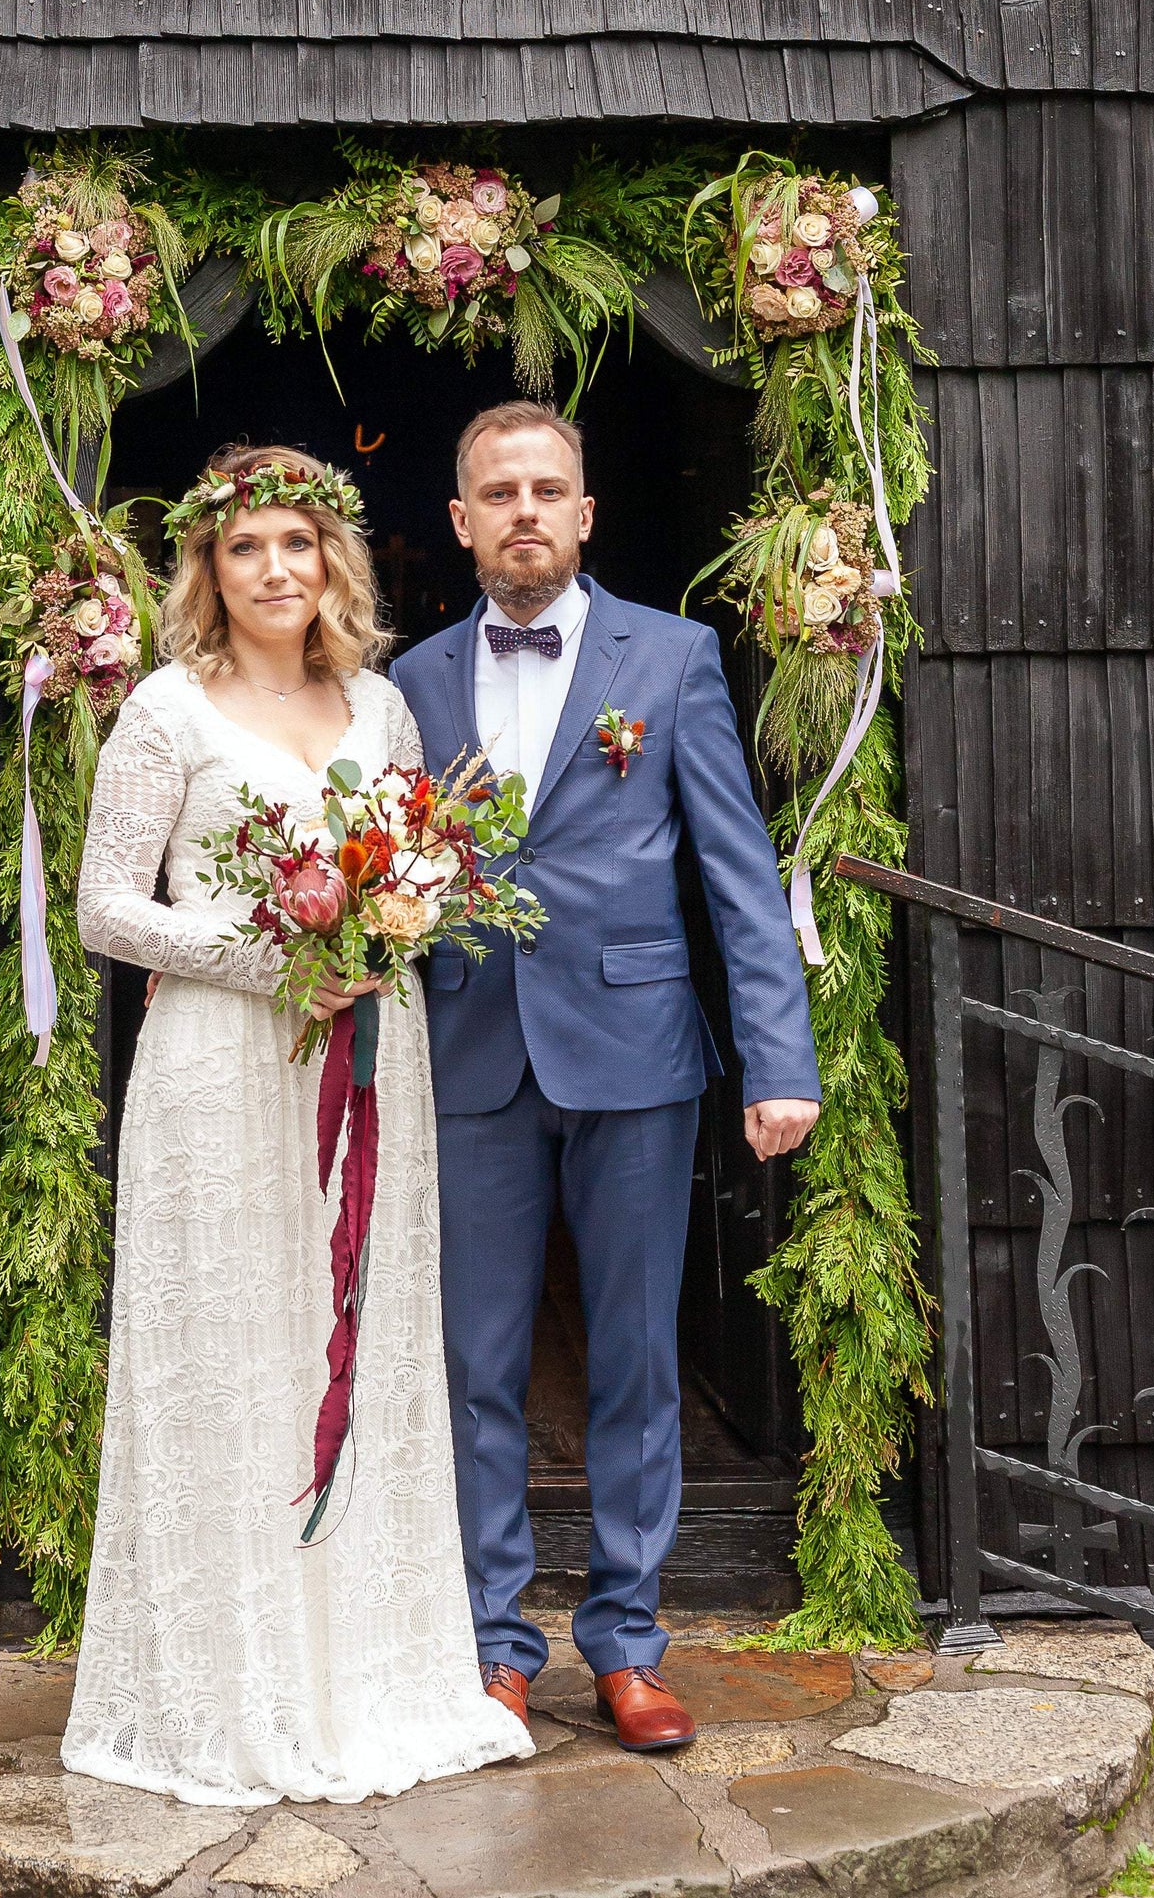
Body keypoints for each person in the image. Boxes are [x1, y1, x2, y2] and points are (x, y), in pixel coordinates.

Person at [61, 444, 532, 1806]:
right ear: (206, 568)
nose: (275, 568)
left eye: (297, 543)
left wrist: (401, 911)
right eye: (245, 546)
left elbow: (409, 866)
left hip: (370, 1061)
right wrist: (263, 948)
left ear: (334, 562)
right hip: (218, 1065)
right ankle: (232, 1686)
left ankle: (364, 1674)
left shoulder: (378, 705)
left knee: (360, 1338)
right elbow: (106, 909)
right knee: (231, 1353)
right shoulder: (164, 710)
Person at [389, 401, 821, 1755]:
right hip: (465, 1050)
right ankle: (490, 1643)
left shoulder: (676, 655)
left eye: (547, 487)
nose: (524, 508)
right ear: (460, 521)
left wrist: (778, 1056)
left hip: (636, 1054)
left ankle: (628, 1644)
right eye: (497, 490)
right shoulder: (404, 680)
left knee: (636, 1355)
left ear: (584, 512)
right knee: (476, 1361)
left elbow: (735, 874)